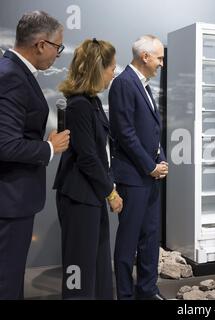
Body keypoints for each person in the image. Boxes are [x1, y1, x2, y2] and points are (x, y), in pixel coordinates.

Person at [0, 11, 70, 299]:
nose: (58, 55)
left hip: (13, 198)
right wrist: (50, 147)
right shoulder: (12, 76)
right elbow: (5, 145)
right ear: (41, 44)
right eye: (58, 47)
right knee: (7, 278)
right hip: (9, 201)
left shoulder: (14, 72)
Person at [53, 38, 123, 299]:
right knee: (80, 272)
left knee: (99, 267)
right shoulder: (80, 105)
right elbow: (88, 158)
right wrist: (111, 193)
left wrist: (107, 188)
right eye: (111, 66)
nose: (114, 72)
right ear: (97, 68)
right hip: (79, 197)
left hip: (91, 195)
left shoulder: (90, 102)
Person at [109, 35, 168, 300]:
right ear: (145, 57)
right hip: (134, 178)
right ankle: (125, 295)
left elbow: (152, 130)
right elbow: (125, 133)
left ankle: (147, 290)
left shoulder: (142, 85)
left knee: (150, 237)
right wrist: (149, 167)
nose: (162, 64)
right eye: (159, 58)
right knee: (128, 241)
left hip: (149, 176)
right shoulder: (123, 83)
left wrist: (161, 160)